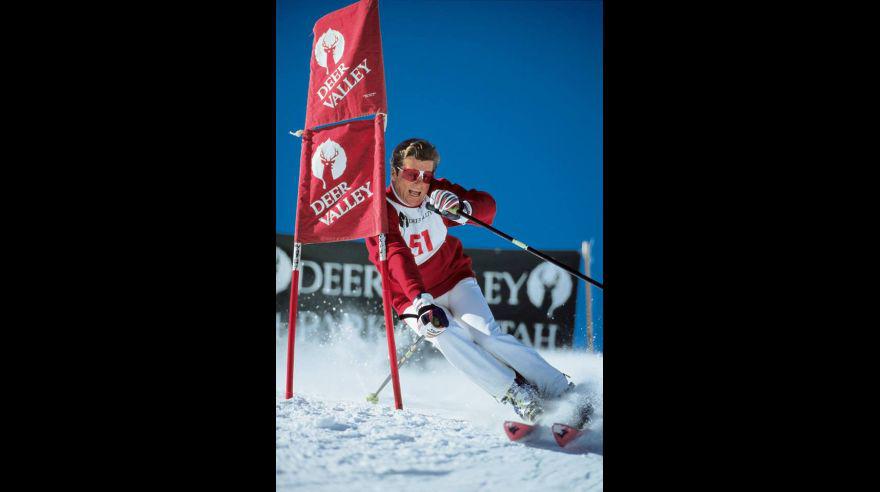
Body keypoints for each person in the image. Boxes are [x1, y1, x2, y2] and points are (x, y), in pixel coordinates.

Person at [365, 138, 591, 425]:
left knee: (486, 334)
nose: (419, 184)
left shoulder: (436, 192)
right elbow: (396, 256)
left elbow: (488, 206)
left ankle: (561, 389)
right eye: (411, 174)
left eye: (426, 176)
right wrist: (420, 298)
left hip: (454, 278)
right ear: (394, 173)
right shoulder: (380, 211)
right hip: (412, 296)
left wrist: (464, 209)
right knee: (444, 334)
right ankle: (516, 393)